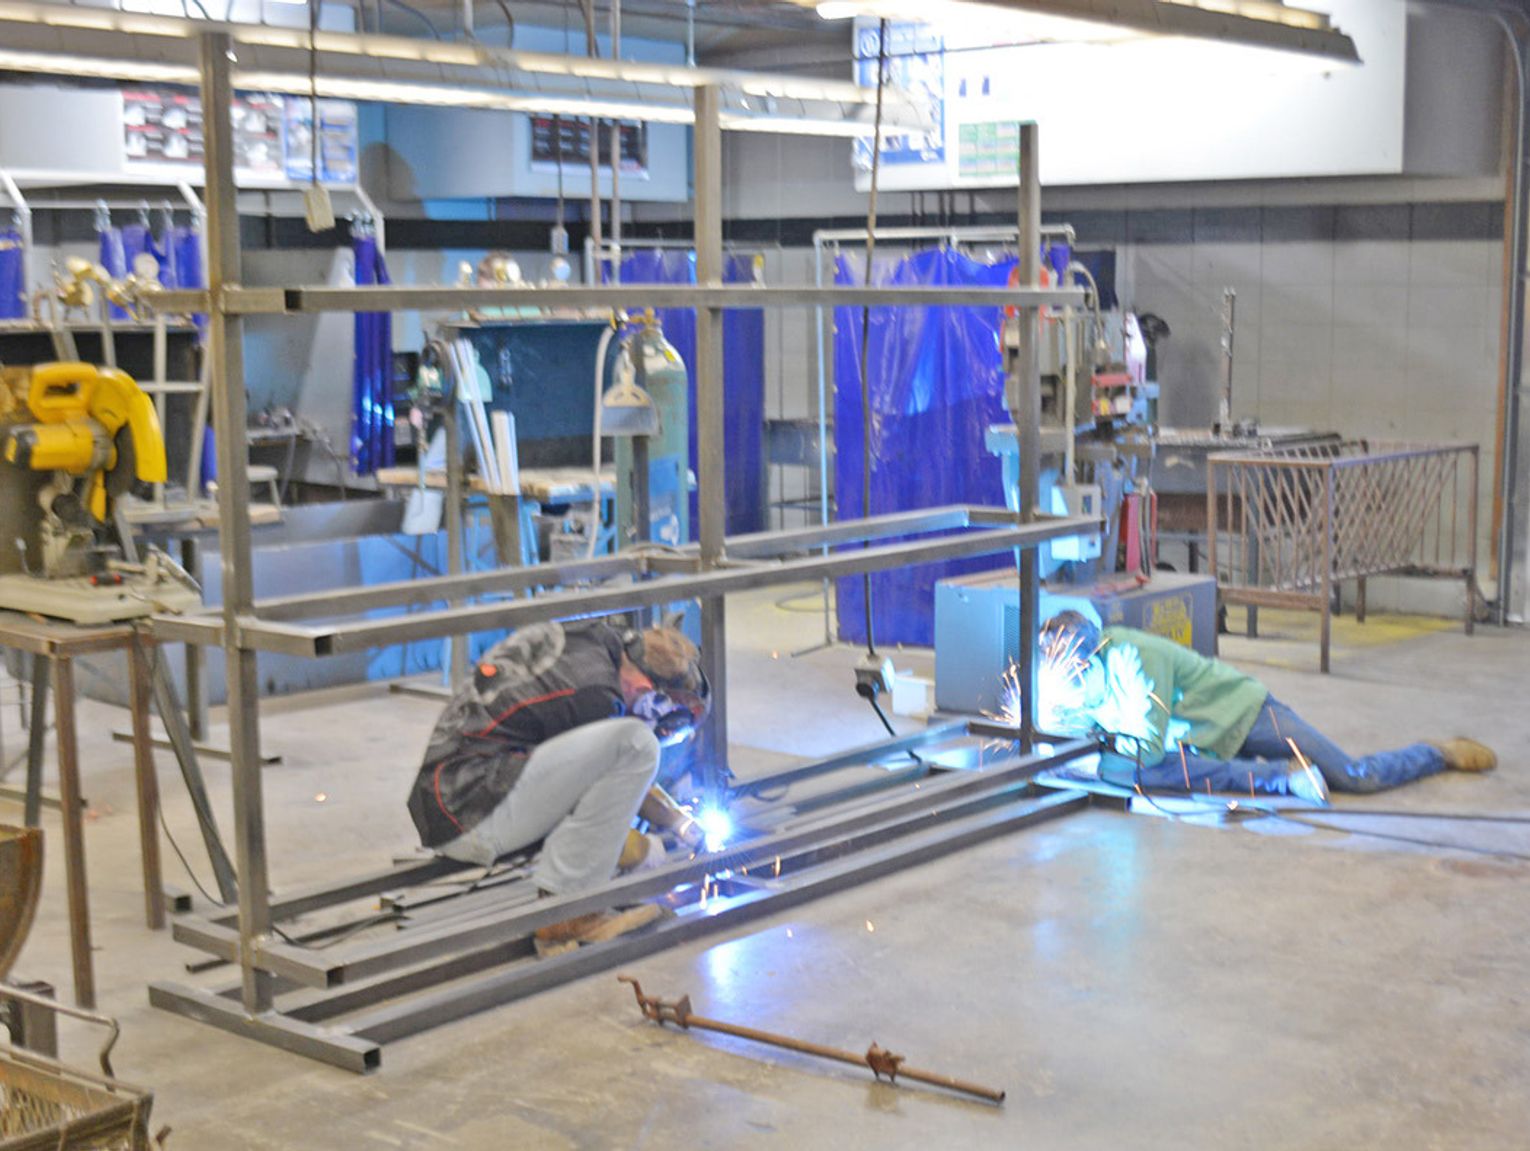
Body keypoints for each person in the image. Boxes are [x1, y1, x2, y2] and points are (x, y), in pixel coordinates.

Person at [406, 618, 709, 946]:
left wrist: (671, 820)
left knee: (625, 745)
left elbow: (568, 771)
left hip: (450, 795)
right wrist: (645, 841)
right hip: (469, 813)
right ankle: (569, 915)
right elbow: (592, 790)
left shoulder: (598, 644)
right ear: (648, 691)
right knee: (637, 743)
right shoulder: (597, 697)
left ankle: (571, 900)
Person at [1038, 610, 1495, 803]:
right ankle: (1283, 777)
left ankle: (1438, 753)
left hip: (1247, 714)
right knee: (1142, 775)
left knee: (1356, 778)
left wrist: (1098, 743)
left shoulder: (1136, 659)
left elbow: (1148, 747)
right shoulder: (1077, 676)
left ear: (1091, 658)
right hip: (1204, 741)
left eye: (1075, 675)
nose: (1073, 686)